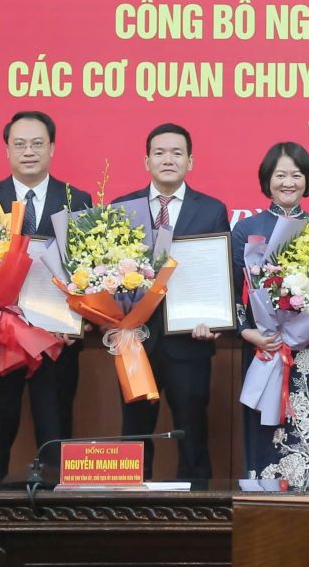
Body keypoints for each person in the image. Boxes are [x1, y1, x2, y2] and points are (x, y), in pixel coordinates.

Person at [0, 110, 92, 480]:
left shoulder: (77, 200)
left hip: (57, 341)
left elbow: (90, 270)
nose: (28, 151)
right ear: (6, 150)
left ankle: (55, 513)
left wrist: (80, 320)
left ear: (52, 148)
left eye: (37, 143)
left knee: (55, 437)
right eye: (19, 144)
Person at [114, 123, 230, 480]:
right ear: (146, 160)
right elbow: (106, 271)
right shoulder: (122, 208)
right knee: (135, 434)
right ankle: (130, 505)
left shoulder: (211, 209)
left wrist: (216, 319)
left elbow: (219, 271)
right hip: (136, 342)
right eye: (160, 153)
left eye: (177, 153)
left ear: (190, 162)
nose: (168, 159)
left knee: (193, 435)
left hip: (190, 341)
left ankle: (200, 509)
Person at [230, 141, 309, 485]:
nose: (288, 182)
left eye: (296, 175)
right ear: (267, 179)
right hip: (264, 347)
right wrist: (247, 332)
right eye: (280, 175)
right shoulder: (246, 230)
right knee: (265, 435)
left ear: (307, 180)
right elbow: (233, 292)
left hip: (308, 354)